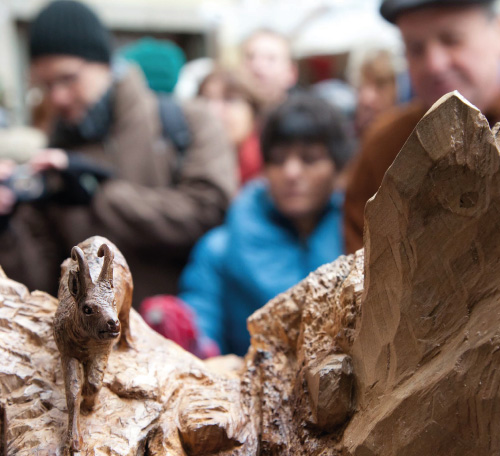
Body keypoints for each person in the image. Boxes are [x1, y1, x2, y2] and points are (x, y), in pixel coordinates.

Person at [0, 0, 236, 305]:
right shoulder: (53, 159)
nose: (57, 97)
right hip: (95, 345)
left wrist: (100, 194)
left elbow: (211, 212)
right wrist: (7, 226)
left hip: (188, 338)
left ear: (105, 63)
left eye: (68, 78)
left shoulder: (188, 121)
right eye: (46, 85)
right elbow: (41, 286)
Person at [178, 93, 353, 356]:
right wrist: (189, 340)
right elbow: (200, 325)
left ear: (338, 169)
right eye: (278, 160)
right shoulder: (219, 249)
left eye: (309, 158)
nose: (291, 172)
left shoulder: (361, 234)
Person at [343, 0, 500, 253]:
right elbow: (358, 263)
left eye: (452, 40)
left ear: (497, 31)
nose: (434, 64)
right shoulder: (385, 146)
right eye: (415, 49)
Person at [198, 68, 263, 186]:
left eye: (229, 99)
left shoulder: (270, 168)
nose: (214, 110)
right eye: (206, 100)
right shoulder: (187, 162)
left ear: (253, 110)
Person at [240, 29, 298, 109]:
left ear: (291, 73)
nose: (258, 65)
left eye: (270, 59)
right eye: (251, 57)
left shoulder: (305, 117)